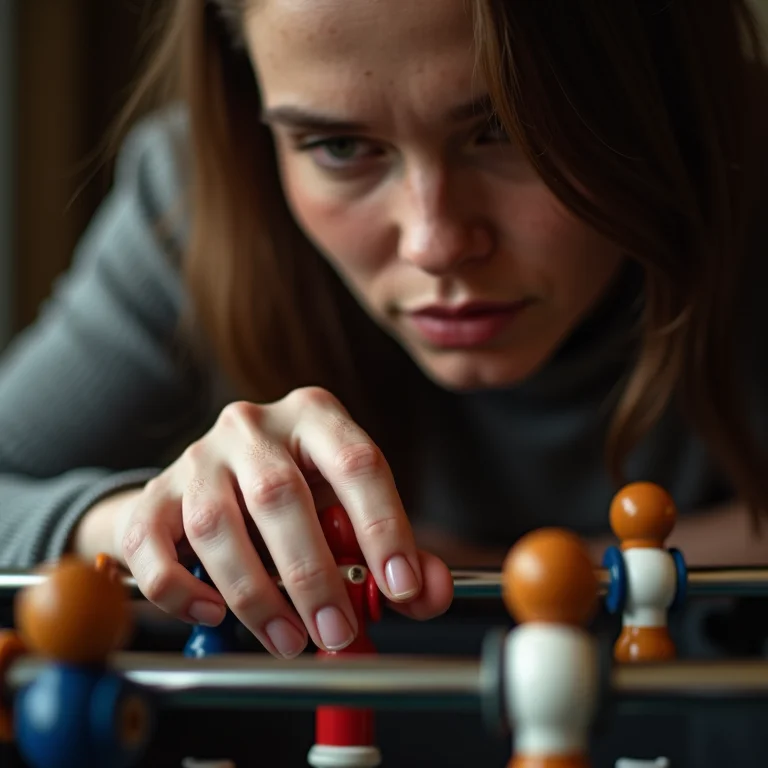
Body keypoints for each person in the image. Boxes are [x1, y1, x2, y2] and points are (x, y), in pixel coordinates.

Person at [1, 0, 767, 665]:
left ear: (663, 83)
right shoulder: (195, 201)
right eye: (338, 149)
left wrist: (498, 569)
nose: (433, 242)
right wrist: (146, 523)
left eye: (506, 129)